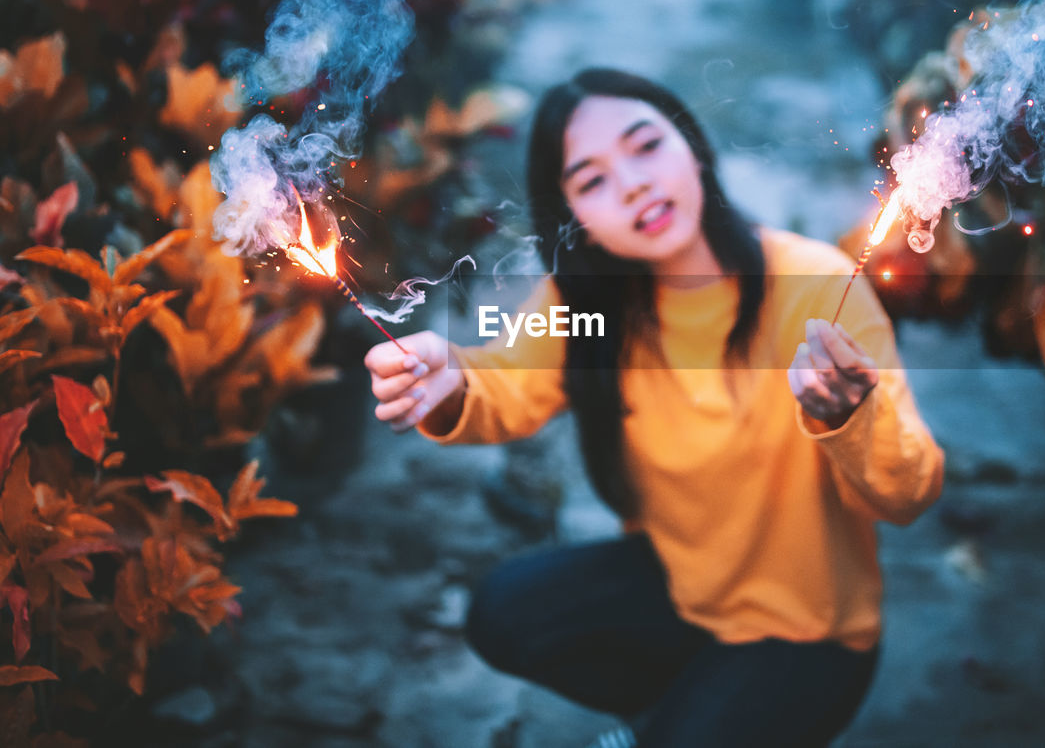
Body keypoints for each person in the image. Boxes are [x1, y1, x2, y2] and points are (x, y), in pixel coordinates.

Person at [364, 68, 945, 748]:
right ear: (574, 218)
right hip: (680, 585)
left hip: (807, 629)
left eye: (645, 146)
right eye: (591, 180)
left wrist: (853, 415)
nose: (633, 183)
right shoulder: (585, 306)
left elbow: (910, 491)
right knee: (501, 611)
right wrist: (451, 380)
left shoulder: (816, 287)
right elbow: (509, 381)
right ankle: (689, 709)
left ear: (692, 146)